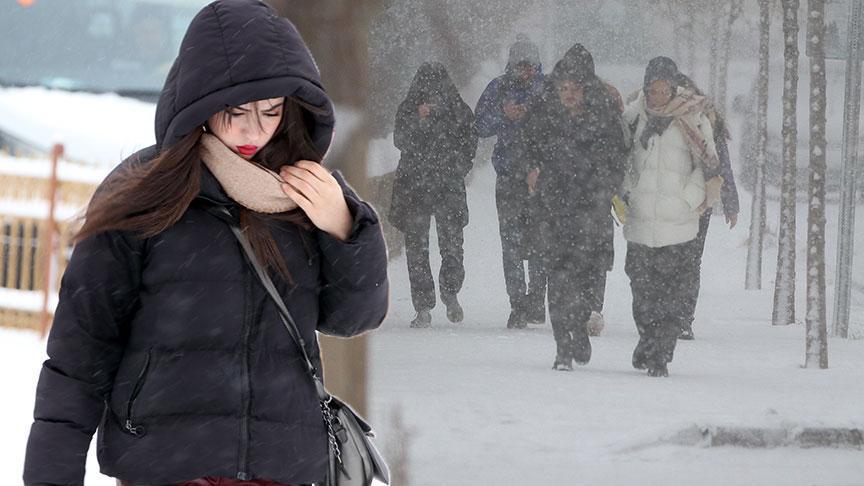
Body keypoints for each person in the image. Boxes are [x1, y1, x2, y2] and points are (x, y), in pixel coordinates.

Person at [23, 1, 389, 485]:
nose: (252, 130)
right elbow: (80, 353)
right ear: (197, 104)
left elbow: (353, 317)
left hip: (283, 469)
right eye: (234, 110)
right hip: (169, 466)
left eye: (270, 111)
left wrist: (345, 227)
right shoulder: (142, 192)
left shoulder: (308, 193)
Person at [515, 44, 627, 370]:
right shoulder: (543, 111)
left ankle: (579, 331)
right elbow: (524, 146)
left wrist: (601, 187)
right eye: (563, 87)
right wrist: (531, 170)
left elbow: (617, 160)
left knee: (587, 280)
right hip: (553, 209)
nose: (569, 94)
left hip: (591, 210)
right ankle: (563, 347)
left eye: (575, 87)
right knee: (559, 280)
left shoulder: (604, 114)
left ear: (586, 87)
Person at [621, 56, 721, 377]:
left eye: (664, 87)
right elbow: (621, 159)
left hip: (678, 224)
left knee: (669, 292)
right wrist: (627, 193)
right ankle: (647, 340)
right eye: (653, 87)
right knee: (641, 290)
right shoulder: (634, 115)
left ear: (673, 86)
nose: (658, 94)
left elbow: (708, 163)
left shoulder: (693, 117)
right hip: (639, 222)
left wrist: (687, 199)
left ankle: (660, 354)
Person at [390, 62, 478, 328]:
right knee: (417, 249)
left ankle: (450, 291)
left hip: (447, 185)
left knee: (452, 246)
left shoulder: (458, 110)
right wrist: (419, 119)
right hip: (415, 186)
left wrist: (459, 166)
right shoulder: (408, 108)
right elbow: (400, 140)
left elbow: (470, 141)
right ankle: (423, 306)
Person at [474, 35, 547, 329]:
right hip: (508, 176)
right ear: (511, 65)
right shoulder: (498, 88)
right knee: (512, 243)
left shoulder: (547, 88)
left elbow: (561, 123)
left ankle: (537, 299)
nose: (525, 72)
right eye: (520, 66)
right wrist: (503, 115)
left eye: (530, 66)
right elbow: (479, 125)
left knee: (542, 242)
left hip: (542, 178)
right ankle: (518, 304)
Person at [674, 73, 740, 340]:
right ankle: (675, 316)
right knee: (679, 259)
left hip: (698, 202)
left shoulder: (707, 120)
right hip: (674, 200)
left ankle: (681, 318)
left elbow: (721, 164)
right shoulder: (661, 119)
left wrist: (730, 202)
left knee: (688, 259)